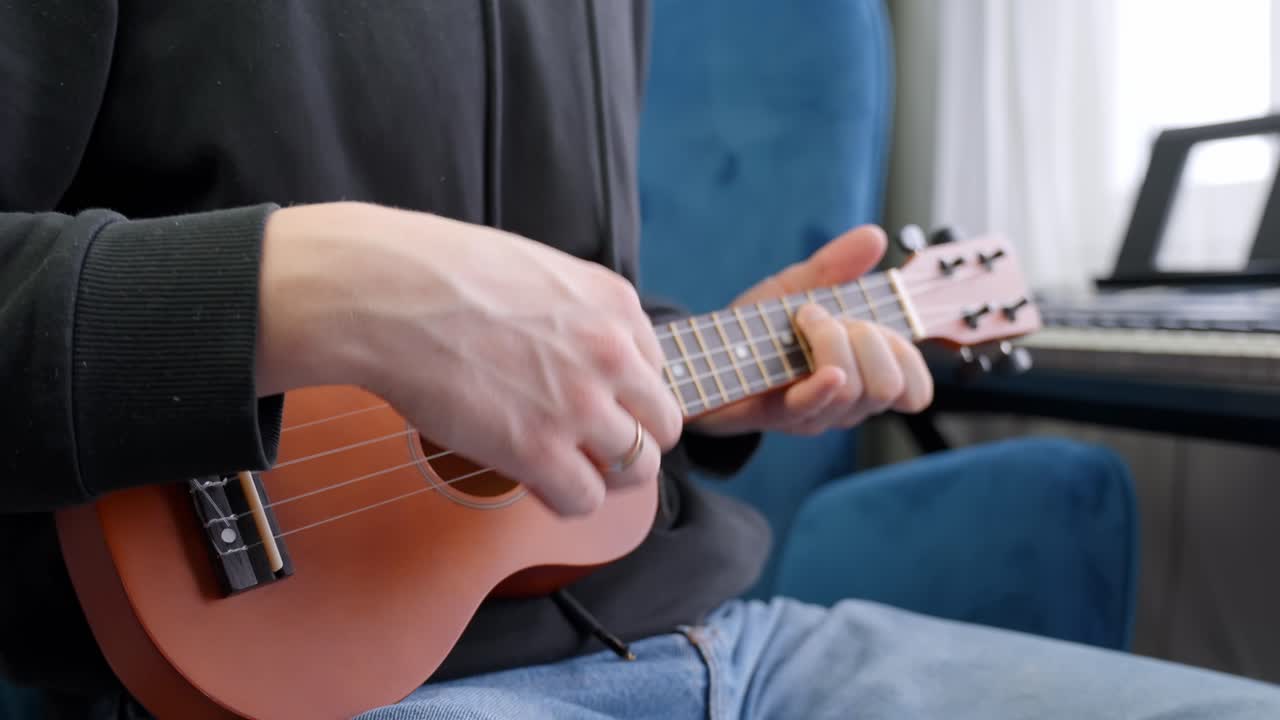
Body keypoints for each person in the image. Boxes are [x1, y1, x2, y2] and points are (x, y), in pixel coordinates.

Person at [1, 3, 1277, 719]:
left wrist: (720, 366)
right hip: (313, 683)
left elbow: (522, 331)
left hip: (722, 639)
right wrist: (310, 284)